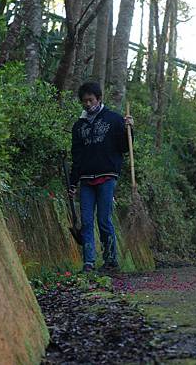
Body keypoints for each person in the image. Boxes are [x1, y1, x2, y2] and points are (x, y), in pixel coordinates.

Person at [69, 82, 134, 273]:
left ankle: (110, 260)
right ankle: (88, 263)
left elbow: (124, 147)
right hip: (86, 179)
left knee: (104, 219)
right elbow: (77, 156)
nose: (88, 104)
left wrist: (129, 129)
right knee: (86, 221)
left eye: (91, 100)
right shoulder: (78, 126)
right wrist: (73, 182)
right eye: (84, 101)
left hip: (107, 175)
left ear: (99, 99)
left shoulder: (114, 119)